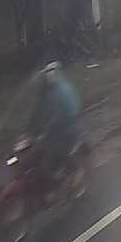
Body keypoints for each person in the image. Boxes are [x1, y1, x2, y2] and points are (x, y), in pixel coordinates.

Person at [25, 58, 83, 188]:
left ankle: (73, 173)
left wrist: (49, 128)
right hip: (51, 133)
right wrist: (27, 132)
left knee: (53, 154)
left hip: (68, 131)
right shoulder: (44, 97)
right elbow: (35, 115)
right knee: (35, 155)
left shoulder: (64, 91)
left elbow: (67, 112)